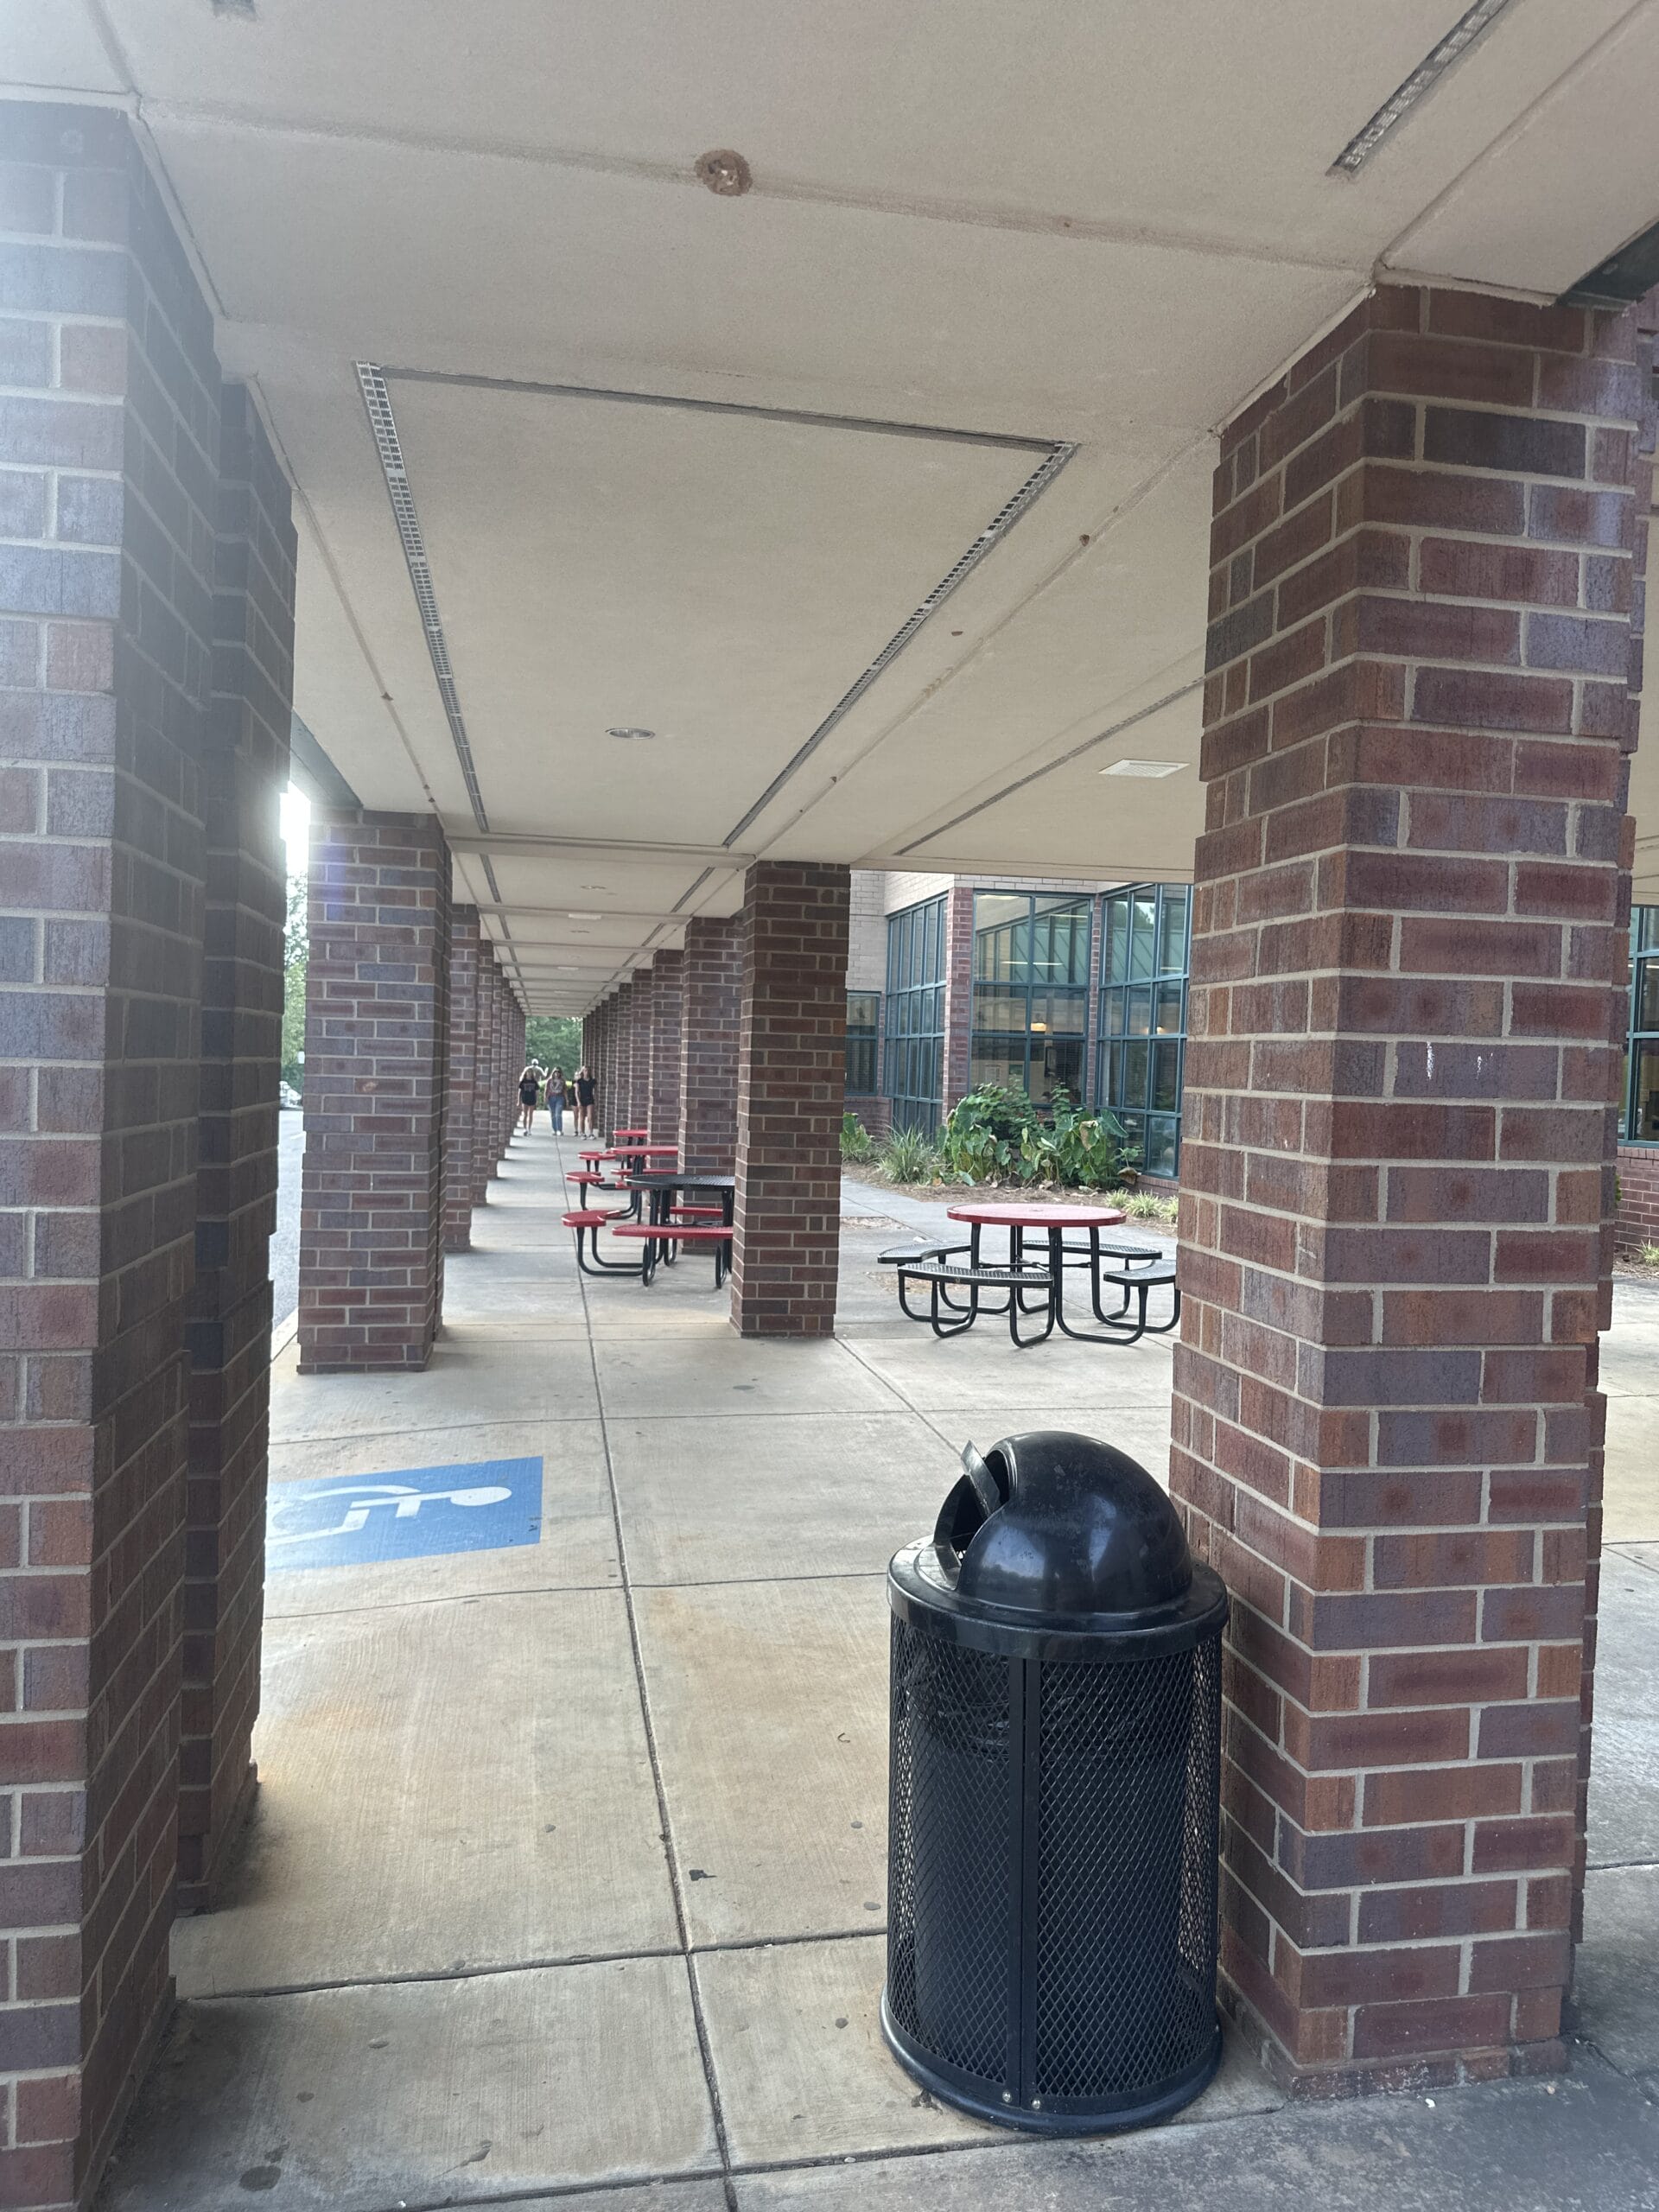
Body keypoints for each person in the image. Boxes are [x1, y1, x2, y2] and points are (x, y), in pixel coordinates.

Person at [517, 1062, 541, 1134]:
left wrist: (537, 1100)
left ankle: (529, 1128)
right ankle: (525, 1128)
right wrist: (519, 1101)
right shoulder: (523, 1082)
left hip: (532, 1099)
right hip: (525, 1098)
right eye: (528, 1072)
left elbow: (537, 1092)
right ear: (526, 1073)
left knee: (531, 1114)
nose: (529, 1073)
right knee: (525, 1114)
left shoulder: (534, 1082)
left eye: (530, 1072)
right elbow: (520, 1092)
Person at [574, 1063, 596, 1135]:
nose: (587, 1072)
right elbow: (577, 1092)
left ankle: (591, 1133)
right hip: (582, 1099)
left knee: (590, 1117)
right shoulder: (579, 1081)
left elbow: (595, 1091)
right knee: (582, 1117)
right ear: (583, 1072)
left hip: (590, 1099)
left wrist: (596, 1100)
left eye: (588, 1070)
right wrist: (578, 1102)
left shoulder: (593, 1081)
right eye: (585, 1070)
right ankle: (582, 1132)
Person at [545, 1065, 567, 1135]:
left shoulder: (562, 1081)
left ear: (560, 1073)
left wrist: (567, 1099)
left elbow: (565, 1091)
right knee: (553, 1114)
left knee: (558, 1113)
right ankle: (554, 1129)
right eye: (555, 1072)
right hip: (551, 1098)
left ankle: (559, 1130)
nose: (557, 1074)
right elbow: (546, 1090)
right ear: (553, 1073)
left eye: (558, 1072)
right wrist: (545, 1098)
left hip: (560, 1098)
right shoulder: (549, 1081)